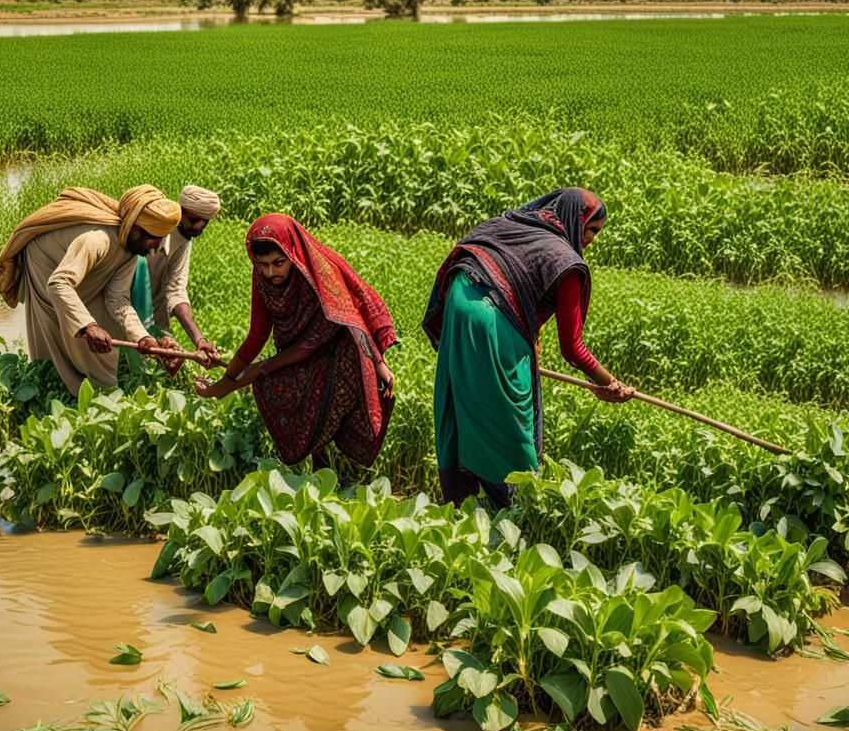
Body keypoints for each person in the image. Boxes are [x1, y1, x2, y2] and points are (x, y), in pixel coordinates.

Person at [422, 187, 635, 509]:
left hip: (458, 305)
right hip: (490, 322)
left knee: (468, 400)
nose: (592, 238)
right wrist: (609, 383)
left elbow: (484, 262)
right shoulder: (566, 262)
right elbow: (572, 347)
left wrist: (528, 339)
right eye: (591, 229)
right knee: (510, 417)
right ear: (575, 221)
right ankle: (512, 503)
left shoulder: (511, 224)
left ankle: (463, 499)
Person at [194, 214, 397, 472]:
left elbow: (351, 318)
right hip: (295, 349)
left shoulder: (320, 273)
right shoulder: (262, 278)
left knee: (332, 415)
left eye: (278, 263)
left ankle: (346, 480)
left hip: (340, 349)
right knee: (299, 408)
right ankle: (321, 477)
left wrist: (379, 364)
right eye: (263, 264)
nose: (271, 272)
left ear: (291, 252)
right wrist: (227, 378)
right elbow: (257, 334)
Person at [0, 184, 182, 395]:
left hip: (75, 270)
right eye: (155, 240)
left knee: (102, 325)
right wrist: (88, 326)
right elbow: (58, 283)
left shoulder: (131, 251)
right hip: (46, 264)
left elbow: (117, 299)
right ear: (136, 231)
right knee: (58, 324)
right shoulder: (97, 239)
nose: (156, 248)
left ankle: (98, 392)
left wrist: (143, 338)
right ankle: (54, 388)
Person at [131, 185, 223, 369]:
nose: (199, 227)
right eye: (195, 220)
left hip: (149, 308)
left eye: (205, 222)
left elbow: (175, 288)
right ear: (180, 210)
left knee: (154, 365)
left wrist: (199, 339)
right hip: (123, 299)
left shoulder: (184, 237)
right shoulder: (154, 228)